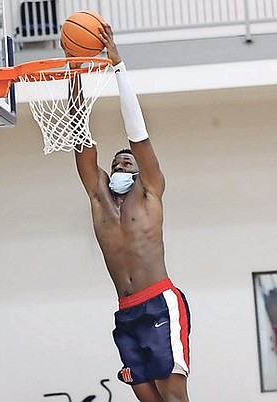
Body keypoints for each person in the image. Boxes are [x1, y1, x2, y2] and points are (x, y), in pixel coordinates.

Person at [70, 21, 191, 402]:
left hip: (159, 301)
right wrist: (76, 76)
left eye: (129, 163)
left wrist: (118, 69)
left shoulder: (151, 193)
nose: (123, 165)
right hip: (126, 311)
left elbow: (138, 135)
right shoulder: (99, 200)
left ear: (139, 172)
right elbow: (79, 137)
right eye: (117, 163)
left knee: (173, 397)